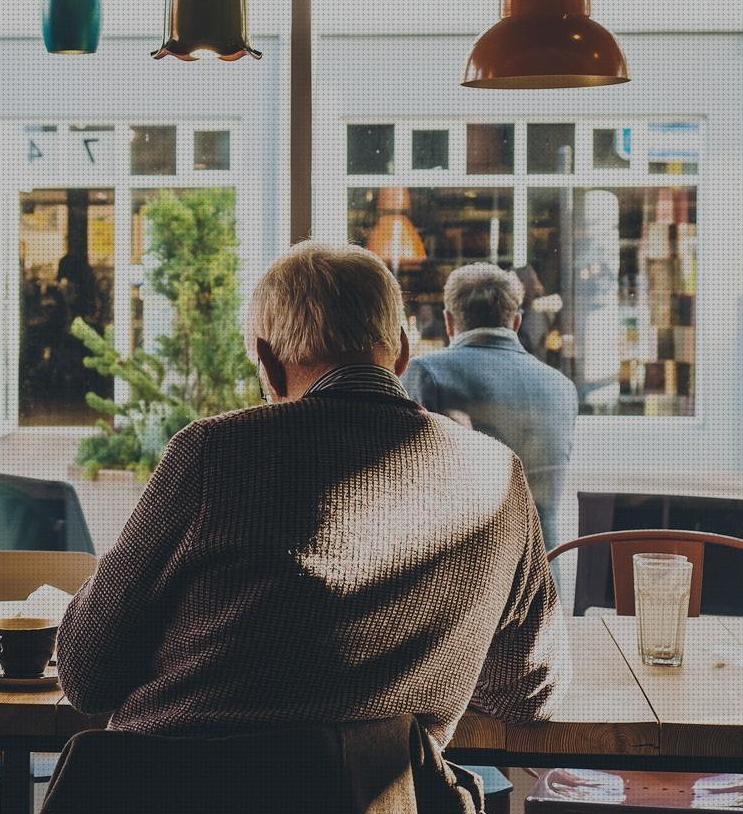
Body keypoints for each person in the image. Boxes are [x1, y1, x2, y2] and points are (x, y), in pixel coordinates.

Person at [57, 242, 568, 759]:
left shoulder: (214, 453)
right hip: (379, 809)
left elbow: (87, 675)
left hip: (171, 799)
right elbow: (529, 691)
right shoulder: (497, 474)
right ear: (402, 351)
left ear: (270, 367)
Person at [404, 263, 579, 550]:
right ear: (517, 322)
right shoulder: (562, 387)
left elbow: (410, 483)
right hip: (544, 580)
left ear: (449, 321)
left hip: (465, 578)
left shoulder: (427, 373)